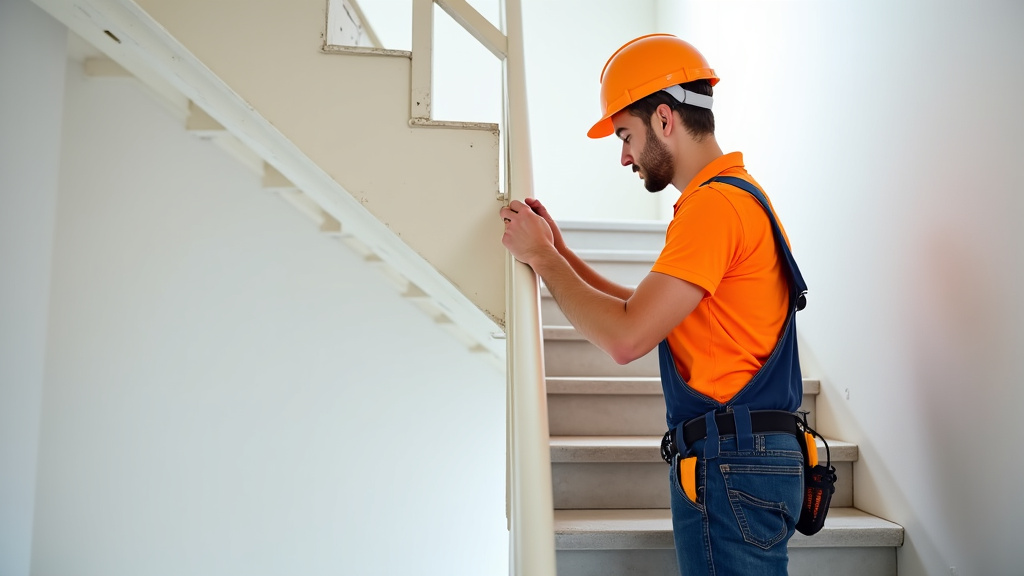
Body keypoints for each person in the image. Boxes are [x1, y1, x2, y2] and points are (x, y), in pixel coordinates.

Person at [500, 34, 809, 575]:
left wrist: (543, 261)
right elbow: (643, 311)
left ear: (664, 119)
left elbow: (626, 337)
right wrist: (561, 253)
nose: (624, 156)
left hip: (731, 463)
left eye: (626, 135)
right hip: (751, 458)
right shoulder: (737, 197)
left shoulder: (712, 209)